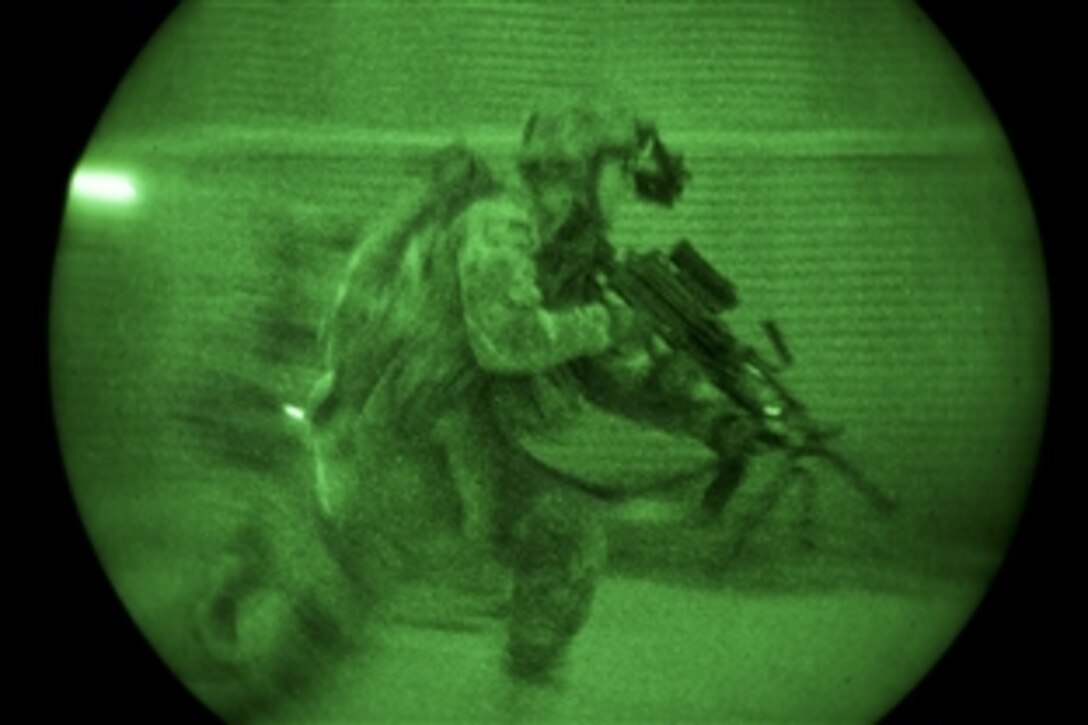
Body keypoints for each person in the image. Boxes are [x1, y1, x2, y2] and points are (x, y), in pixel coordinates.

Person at [306, 101, 758, 687]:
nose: (629, 188)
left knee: (568, 546)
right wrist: (611, 322)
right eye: (620, 172)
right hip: (401, 432)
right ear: (579, 171)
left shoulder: (570, 253)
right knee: (352, 599)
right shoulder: (500, 223)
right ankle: (269, 624)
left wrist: (710, 420)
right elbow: (508, 342)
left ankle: (525, 695)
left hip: (474, 439)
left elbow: (604, 370)